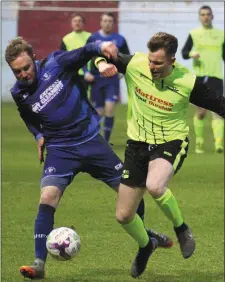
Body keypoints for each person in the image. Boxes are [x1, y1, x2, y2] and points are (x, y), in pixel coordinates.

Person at [5, 37, 173, 280]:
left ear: (33, 58)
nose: (23, 74)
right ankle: (39, 263)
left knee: (131, 192)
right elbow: (27, 115)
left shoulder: (56, 63)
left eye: (26, 67)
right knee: (47, 196)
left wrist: (102, 49)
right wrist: (38, 135)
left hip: (92, 142)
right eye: (17, 71)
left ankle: (145, 240)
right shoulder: (18, 92)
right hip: (60, 151)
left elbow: (85, 51)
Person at [95, 32, 225, 278]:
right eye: (150, 61)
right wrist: (103, 64)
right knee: (123, 216)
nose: (151, 66)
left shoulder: (187, 80)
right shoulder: (135, 63)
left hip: (171, 141)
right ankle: (147, 245)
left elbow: (219, 104)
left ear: (172, 60)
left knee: (155, 186)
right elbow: (100, 56)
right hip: (136, 145)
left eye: (158, 63)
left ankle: (181, 229)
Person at [182, 5, 224, 154]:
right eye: (202, 14)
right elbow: (184, 52)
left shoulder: (221, 34)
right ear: (200, 17)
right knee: (201, 112)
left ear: (212, 16)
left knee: (218, 111)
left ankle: (219, 144)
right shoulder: (194, 34)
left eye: (208, 14)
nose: (205, 17)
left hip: (217, 76)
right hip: (200, 77)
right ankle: (199, 143)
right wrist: (191, 53)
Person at [87, 12, 130, 143]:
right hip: (96, 79)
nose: (107, 23)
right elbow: (84, 55)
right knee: (99, 112)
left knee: (110, 108)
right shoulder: (93, 38)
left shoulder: (120, 39)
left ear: (113, 23)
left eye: (110, 21)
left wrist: (123, 72)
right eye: (105, 21)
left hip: (112, 79)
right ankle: (96, 140)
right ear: (101, 22)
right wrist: (86, 72)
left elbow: (126, 57)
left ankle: (106, 140)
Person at [60, 13, 94, 90]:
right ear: (71, 23)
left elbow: (94, 54)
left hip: (87, 74)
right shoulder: (66, 39)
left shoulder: (90, 36)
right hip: (72, 74)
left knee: (86, 98)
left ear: (83, 23)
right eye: (75, 21)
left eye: (79, 21)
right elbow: (62, 57)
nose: (77, 23)